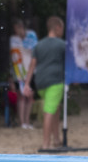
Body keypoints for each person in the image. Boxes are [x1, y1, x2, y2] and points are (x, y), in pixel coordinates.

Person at [23, 16, 66, 150]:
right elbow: (68, 64)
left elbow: (32, 65)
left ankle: (57, 139)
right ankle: (46, 144)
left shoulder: (39, 45)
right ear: (58, 28)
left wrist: (27, 84)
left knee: (55, 108)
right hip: (55, 81)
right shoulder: (62, 45)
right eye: (62, 28)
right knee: (49, 111)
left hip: (40, 82)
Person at [9, 19, 36, 129]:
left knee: (30, 96)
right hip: (19, 71)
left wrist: (24, 36)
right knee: (21, 96)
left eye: (19, 26)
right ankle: (21, 122)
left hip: (31, 70)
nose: (18, 29)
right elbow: (14, 55)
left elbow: (32, 49)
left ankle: (27, 120)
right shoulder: (13, 39)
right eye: (16, 27)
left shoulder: (31, 36)